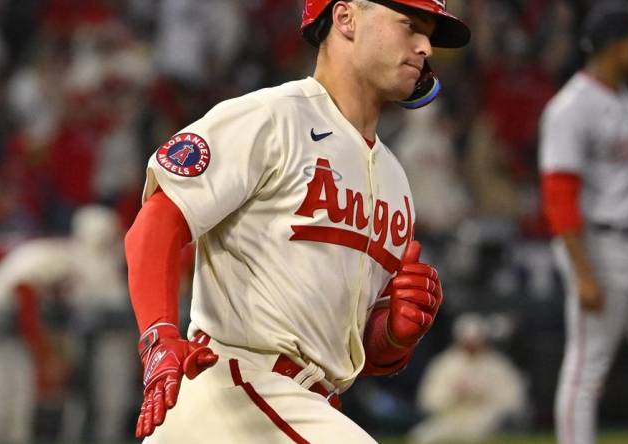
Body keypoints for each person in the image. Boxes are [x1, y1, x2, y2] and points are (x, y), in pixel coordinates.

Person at [124, 1, 470, 443]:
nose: (425, 46)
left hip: (303, 404)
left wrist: (392, 336)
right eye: (410, 26)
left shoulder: (395, 180)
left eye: (429, 35)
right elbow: (154, 226)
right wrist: (158, 336)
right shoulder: (271, 117)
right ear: (345, 18)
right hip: (235, 388)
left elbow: (351, 346)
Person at [538, 2, 628, 444]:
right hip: (601, 247)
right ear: (614, 45)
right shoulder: (572, 107)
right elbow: (559, 197)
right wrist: (583, 271)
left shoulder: (623, 95)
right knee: (588, 370)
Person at [0, 205, 131, 443]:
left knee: (20, 412)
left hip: (29, 337)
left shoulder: (87, 261)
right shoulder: (56, 255)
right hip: (11, 331)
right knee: (8, 407)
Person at [408, 313, 527, 444]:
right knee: (421, 437)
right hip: (450, 418)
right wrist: (455, 394)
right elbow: (427, 400)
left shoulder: (498, 364)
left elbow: (515, 401)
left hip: (486, 419)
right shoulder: (444, 364)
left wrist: (483, 394)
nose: (471, 345)